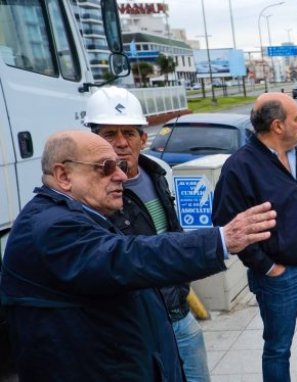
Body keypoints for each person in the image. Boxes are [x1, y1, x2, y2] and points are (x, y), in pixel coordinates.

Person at [0, 130, 276, 381]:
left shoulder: (83, 214)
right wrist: (220, 240)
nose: (121, 176)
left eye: (119, 166)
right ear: (63, 176)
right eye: (106, 167)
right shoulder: (50, 226)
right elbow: (128, 258)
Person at [86, 87, 210, 381]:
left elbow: (172, 234)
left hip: (177, 313)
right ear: (94, 139)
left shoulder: (158, 172)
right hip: (133, 324)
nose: (121, 143)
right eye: (109, 134)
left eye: (129, 133)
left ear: (143, 138)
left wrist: (181, 288)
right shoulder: (90, 190)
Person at [212, 92, 297, 382]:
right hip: (280, 278)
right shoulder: (240, 167)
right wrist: (268, 267)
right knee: (278, 349)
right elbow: (227, 225)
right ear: (278, 126)